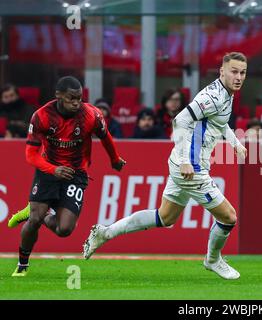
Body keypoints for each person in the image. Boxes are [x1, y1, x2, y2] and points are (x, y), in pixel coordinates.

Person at [83, 52, 248, 280]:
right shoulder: (212, 97)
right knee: (229, 217)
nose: (238, 77)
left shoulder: (226, 95)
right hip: (191, 169)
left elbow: (219, 122)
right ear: (222, 71)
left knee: (165, 217)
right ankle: (212, 260)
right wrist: (184, 161)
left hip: (186, 165)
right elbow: (179, 121)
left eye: (242, 72)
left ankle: (105, 233)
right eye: (234, 71)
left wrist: (235, 143)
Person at [9, 76, 126, 277]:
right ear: (58, 96)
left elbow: (105, 137)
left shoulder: (91, 115)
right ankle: (23, 265)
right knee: (34, 220)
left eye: (79, 98)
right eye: (71, 98)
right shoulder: (42, 116)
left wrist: (114, 159)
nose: (76, 102)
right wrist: (53, 170)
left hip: (76, 174)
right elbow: (30, 155)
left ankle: (42, 213)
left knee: (64, 229)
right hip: (48, 170)